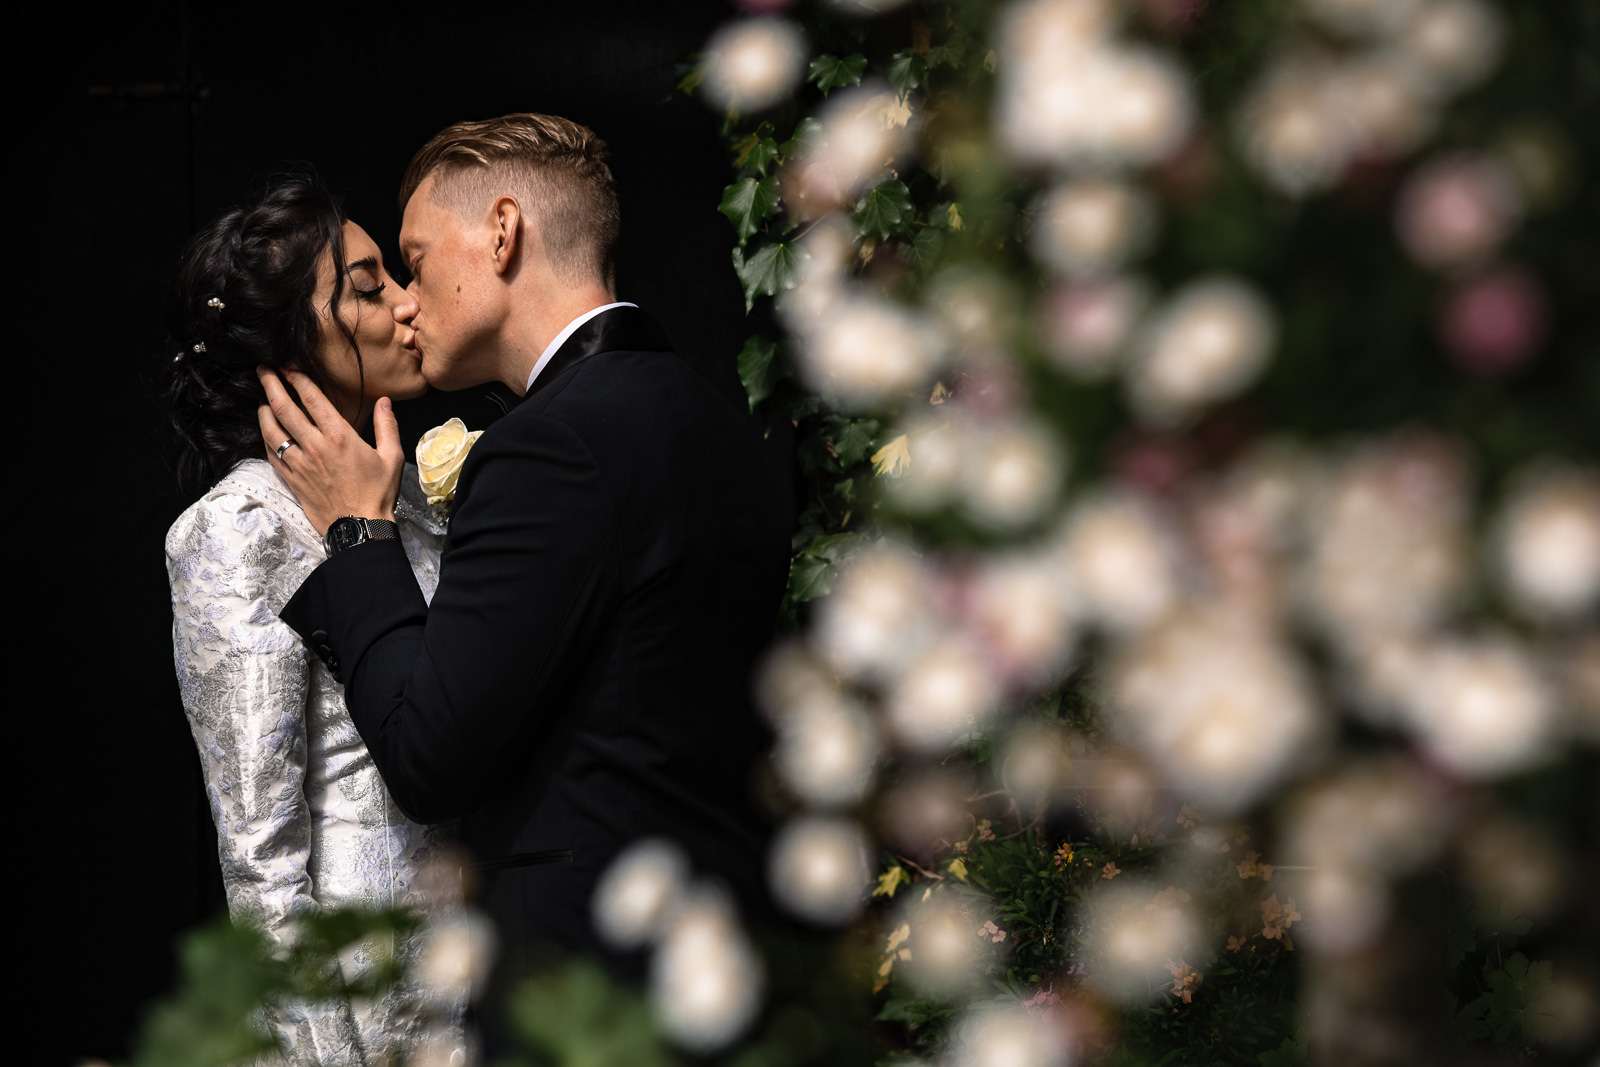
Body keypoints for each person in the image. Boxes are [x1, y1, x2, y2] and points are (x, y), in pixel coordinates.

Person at [255, 114, 792, 1037]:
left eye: (417, 262)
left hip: (587, 987)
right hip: (726, 964)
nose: (408, 301)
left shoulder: (552, 446)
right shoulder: (719, 428)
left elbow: (429, 755)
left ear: (502, 233)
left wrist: (358, 531)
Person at [164, 171, 465, 1066]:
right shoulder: (235, 529)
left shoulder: (407, 492)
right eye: (370, 290)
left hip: (473, 965)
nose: (411, 306)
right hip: (363, 992)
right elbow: (260, 859)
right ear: (290, 344)